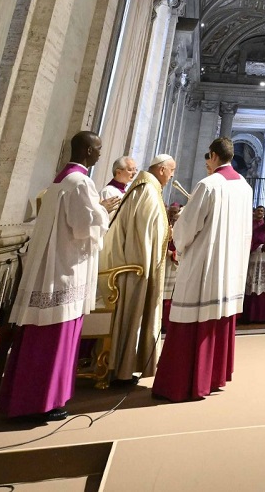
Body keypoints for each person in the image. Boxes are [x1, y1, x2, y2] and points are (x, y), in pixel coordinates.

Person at [0, 131, 108, 421]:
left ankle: (35, 399)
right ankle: (40, 402)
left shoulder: (60, 180)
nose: (99, 154)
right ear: (86, 151)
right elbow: (83, 226)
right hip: (64, 269)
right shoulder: (81, 182)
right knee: (54, 337)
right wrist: (103, 213)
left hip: (53, 266)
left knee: (43, 335)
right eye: (97, 149)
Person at [152, 136, 253, 402]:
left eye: (207, 158)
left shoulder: (208, 185)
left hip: (204, 266)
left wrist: (178, 239)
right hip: (230, 267)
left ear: (213, 156)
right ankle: (214, 376)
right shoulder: (244, 186)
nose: (206, 163)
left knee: (193, 320)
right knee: (218, 317)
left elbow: (187, 228)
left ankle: (184, 382)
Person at [99, 153, 173, 381]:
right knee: (133, 316)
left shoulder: (146, 188)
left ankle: (126, 366)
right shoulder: (148, 191)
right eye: (171, 170)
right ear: (161, 169)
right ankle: (122, 369)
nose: (172, 176)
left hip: (138, 265)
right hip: (138, 267)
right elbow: (142, 236)